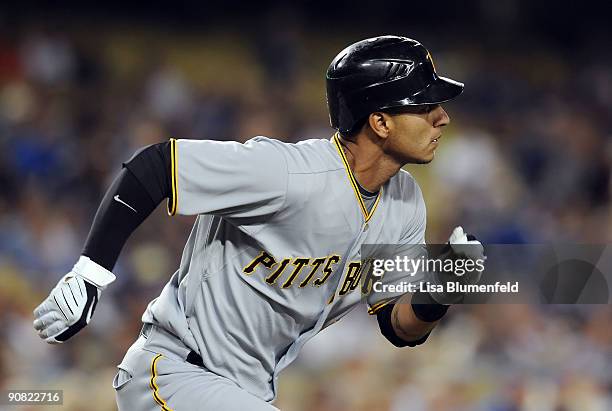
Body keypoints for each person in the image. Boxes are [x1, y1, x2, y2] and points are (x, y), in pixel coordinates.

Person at [33, 35, 484, 410]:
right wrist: (90, 273)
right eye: (425, 105)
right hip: (175, 372)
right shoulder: (287, 172)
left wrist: (438, 292)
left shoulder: (405, 203)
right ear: (380, 121)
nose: (442, 117)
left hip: (247, 393)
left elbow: (398, 326)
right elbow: (154, 167)